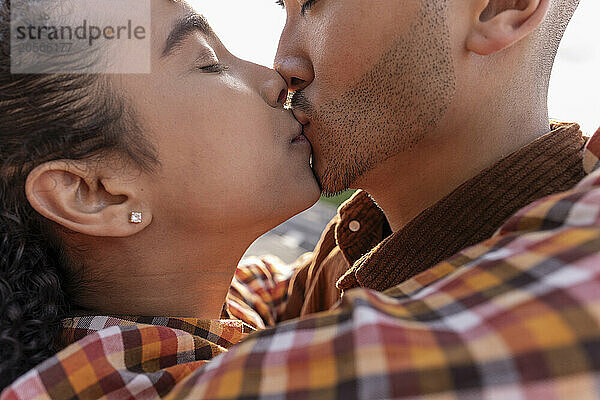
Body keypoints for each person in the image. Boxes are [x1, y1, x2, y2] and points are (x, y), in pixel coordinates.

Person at [0, 0, 319, 389]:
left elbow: (284, 286)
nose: (275, 78)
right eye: (208, 63)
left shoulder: (212, 310)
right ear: (97, 193)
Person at [271, 0, 591, 319]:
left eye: (311, 4)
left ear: (500, 6)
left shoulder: (565, 308)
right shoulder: (354, 241)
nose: (281, 66)